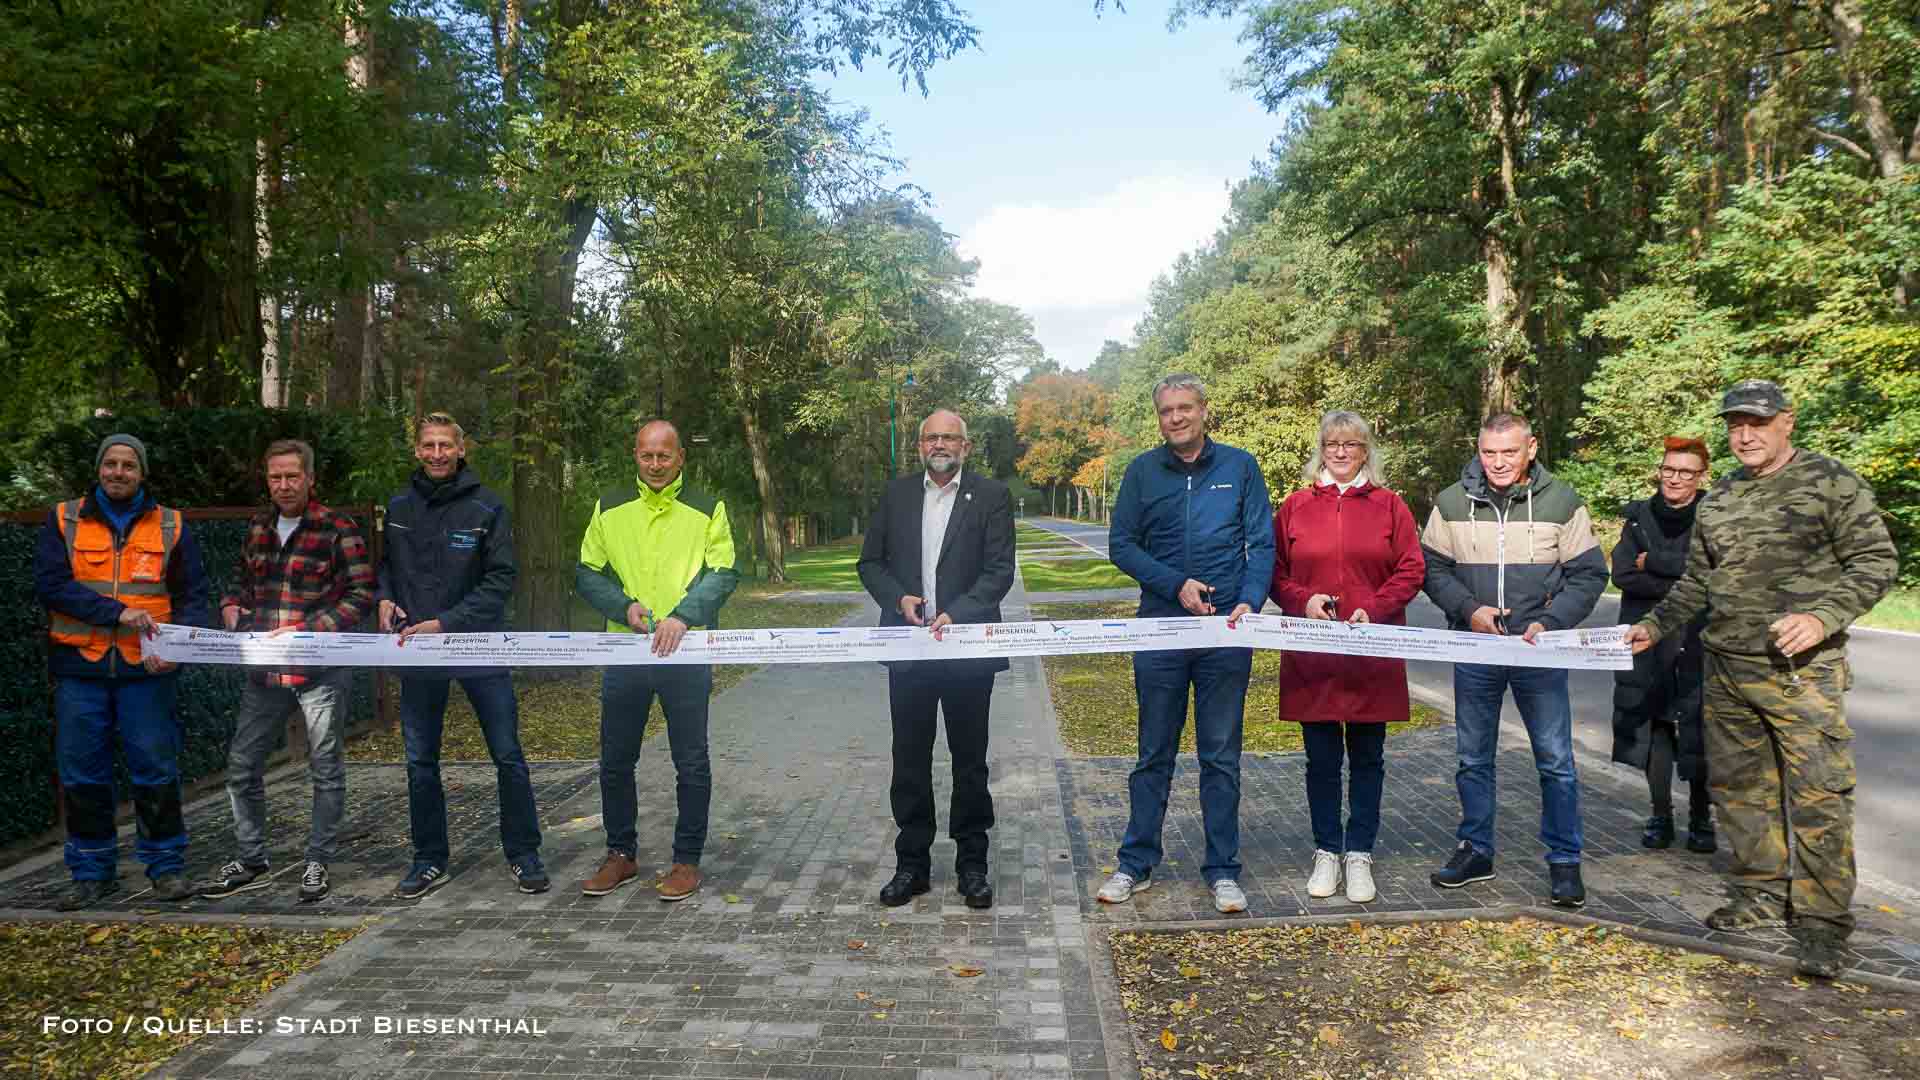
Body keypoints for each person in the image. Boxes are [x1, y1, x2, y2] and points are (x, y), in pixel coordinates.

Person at [1626, 380, 1897, 979]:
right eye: (1735, 425)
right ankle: (1760, 894)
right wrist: (1652, 626)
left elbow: (1877, 561)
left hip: (1802, 674)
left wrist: (1822, 616)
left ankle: (1823, 922)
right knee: (1741, 790)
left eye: (1757, 423)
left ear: (1787, 423)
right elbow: (1697, 583)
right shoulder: (1719, 498)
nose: (1744, 435)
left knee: (1819, 795)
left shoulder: (1831, 482)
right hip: (1726, 669)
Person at [1097, 373, 1276, 915]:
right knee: (1153, 753)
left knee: (1221, 757)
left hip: (1224, 634)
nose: (1175, 418)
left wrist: (1250, 599)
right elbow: (1121, 545)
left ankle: (1223, 870)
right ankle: (1135, 863)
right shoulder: (1142, 472)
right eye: (1166, 411)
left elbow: (1261, 542)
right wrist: (1173, 584)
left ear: (1203, 410)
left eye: (1184, 408)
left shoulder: (1240, 467)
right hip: (1160, 631)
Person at [1420, 412, 1607, 908]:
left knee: (1556, 761)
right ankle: (1475, 850)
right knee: (1472, 757)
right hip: (1475, 646)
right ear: (1478, 450)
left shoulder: (1563, 501)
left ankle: (1565, 861)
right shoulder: (1451, 501)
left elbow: (1589, 574)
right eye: (1489, 452)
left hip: (1538, 648)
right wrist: (1468, 609)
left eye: (1509, 452)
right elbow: (1431, 569)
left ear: (1531, 449)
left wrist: (1553, 621)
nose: (1498, 463)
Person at [33, 434, 211, 909]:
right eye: (110, 464)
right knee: (82, 774)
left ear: (142, 473)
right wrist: (115, 613)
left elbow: (192, 597)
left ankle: (166, 867)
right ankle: (92, 871)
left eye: (128, 465)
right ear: (98, 470)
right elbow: (50, 586)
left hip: (146, 671)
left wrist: (179, 649)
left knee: (155, 770)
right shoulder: (63, 519)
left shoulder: (171, 525)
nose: (118, 472)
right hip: (81, 669)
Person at [377, 413, 547, 898]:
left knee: (507, 754)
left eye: (445, 446)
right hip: (418, 651)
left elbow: (500, 581)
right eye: (428, 445)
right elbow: (386, 567)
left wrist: (447, 623)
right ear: (416, 450)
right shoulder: (399, 506)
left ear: (461, 448)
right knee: (419, 761)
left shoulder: (487, 507)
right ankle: (429, 859)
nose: (436, 454)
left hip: (478, 645)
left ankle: (523, 853)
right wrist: (384, 597)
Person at [199, 439, 376, 903]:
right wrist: (232, 604)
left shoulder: (338, 528)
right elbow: (241, 579)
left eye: (292, 476)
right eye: (275, 477)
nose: (283, 485)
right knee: (242, 765)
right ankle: (251, 857)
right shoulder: (259, 526)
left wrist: (308, 629)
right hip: (266, 671)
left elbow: (361, 596)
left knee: (325, 767)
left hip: (320, 671)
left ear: (310, 479)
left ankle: (318, 860)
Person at [856, 409, 1016, 909]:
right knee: (909, 761)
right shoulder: (896, 494)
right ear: (919, 446)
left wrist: (958, 613)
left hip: (967, 649)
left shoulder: (991, 497)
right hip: (908, 649)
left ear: (966, 447)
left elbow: (999, 571)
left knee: (970, 762)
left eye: (950, 437)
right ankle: (912, 865)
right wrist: (897, 599)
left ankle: (973, 865)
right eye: (931, 437)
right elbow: (870, 563)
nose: (940, 444)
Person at [575, 420, 738, 901]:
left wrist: (684, 616)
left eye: (664, 456)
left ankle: (686, 862)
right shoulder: (609, 507)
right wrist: (622, 608)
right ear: (635, 455)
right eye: (647, 455)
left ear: (681, 456)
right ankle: (620, 854)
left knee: (691, 762)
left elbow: (724, 571)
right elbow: (587, 571)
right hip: (626, 653)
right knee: (615, 760)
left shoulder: (709, 509)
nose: (655, 464)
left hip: (686, 654)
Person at [1268, 411, 1425, 905]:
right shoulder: (1293, 507)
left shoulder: (1390, 506)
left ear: (1365, 451)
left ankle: (1359, 853)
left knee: (1367, 757)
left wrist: (1373, 608)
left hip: (1370, 653)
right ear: (1321, 448)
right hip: (1313, 654)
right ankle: (1326, 851)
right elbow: (1272, 571)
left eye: (1351, 445)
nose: (1340, 452)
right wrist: (1302, 600)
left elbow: (1411, 569)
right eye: (1332, 443)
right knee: (1319, 759)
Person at [1610, 436, 1714, 854]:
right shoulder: (1637, 517)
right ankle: (1660, 815)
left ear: (1700, 476)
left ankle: (1702, 818)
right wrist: (1684, 575)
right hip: (1643, 638)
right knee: (1655, 727)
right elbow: (1621, 573)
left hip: (1697, 635)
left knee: (1700, 727)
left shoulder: (1714, 515)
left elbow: (1712, 576)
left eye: (1685, 472)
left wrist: (1653, 562)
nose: (1675, 478)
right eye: (1669, 470)